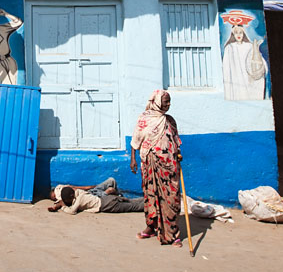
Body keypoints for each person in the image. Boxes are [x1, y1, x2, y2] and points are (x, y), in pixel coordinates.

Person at [130, 89, 182, 246]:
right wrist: (133, 159)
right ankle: (151, 227)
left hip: (169, 166)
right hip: (150, 163)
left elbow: (176, 141)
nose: (169, 104)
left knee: (170, 199)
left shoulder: (170, 121)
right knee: (150, 195)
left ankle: (172, 234)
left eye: (169, 101)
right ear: (157, 101)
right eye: (166, 101)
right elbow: (136, 139)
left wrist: (178, 154)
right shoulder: (144, 119)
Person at [47, 177, 144, 214]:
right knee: (131, 202)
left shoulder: (78, 201)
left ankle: (150, 204)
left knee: (133, 206)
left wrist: (63, 207)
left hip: (106, 205)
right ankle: (148, 200)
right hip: (107, 198)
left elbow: (72, 211)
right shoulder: (79, 193)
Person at [222, 24, 267, 100]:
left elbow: (258, 60)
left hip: (248, 79)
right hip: (236, 79)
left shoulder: (249, 46)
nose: (239, 35)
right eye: (236, 33)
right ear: (233, 34)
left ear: (244, 34)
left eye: (240, 32)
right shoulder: (229, 48)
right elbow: (226, 68)